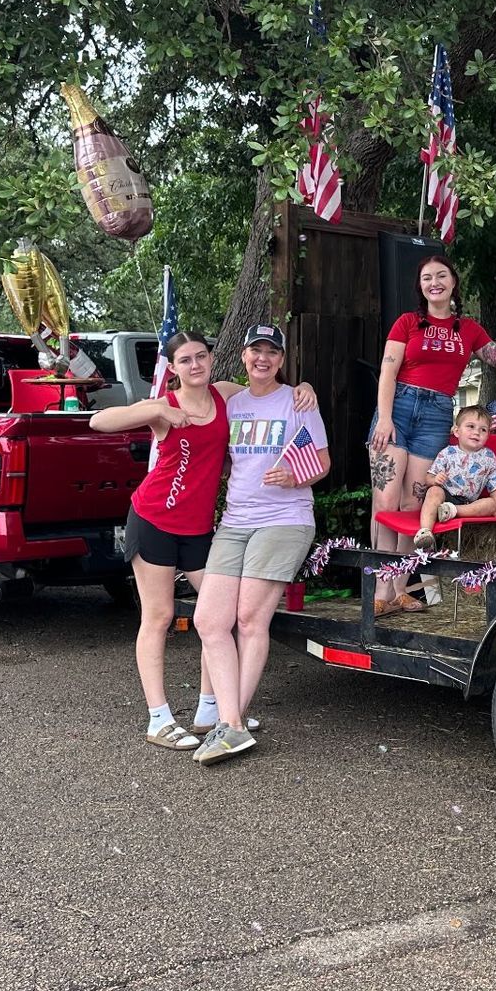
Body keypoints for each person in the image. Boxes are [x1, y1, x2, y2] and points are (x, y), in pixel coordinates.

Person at [192, 324, 329, 765]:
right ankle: (230, 721)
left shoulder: (298, 401)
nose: (263, 358)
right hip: (235, 522)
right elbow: (197, 393)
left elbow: (322, 462)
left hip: (284, 521)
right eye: (256, 350)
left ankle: (231, 725)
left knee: (250, 619)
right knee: (209, 621)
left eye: (272, 352)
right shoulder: (232, 404)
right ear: (244, 356)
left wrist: (295, 475)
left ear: (282, 360)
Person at [88, 331, 228, 752]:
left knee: (217, 615)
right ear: (174, 368)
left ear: (211, 359)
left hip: (198, 528)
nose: (195, 365)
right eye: (185, 360)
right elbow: (98, 421)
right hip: (154, 521)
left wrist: (304, 388)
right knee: (160, 616)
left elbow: (269, 392)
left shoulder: (224, 394)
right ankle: (159, 719)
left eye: (201, 356)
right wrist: (156, 409)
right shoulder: (163, 408)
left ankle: (209, 710)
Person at [368, 255, 496, 552]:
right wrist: (384, 418)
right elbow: (388, 372)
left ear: (453, 282)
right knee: (385, 502)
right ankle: (380, 579)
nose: (434, 283)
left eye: (441, 276)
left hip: (436, 414)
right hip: (398, 407)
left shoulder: (468, 329)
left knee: (414, 502)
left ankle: (401, 579)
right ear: (420, 286)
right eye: (427, 278)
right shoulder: (407, 322)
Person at [410, 404, 496, 554]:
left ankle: (452, 511)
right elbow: (428, 477)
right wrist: (435, 480)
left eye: (483, 430)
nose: (477, 432)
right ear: (456, 431)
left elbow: (495, 485)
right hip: (445, 497)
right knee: (434, 491)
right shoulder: (447, 453)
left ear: (488, 435)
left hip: (469, 504)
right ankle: (425, 532)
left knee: (491, 503)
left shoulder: (489, 457)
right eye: (471, 426)